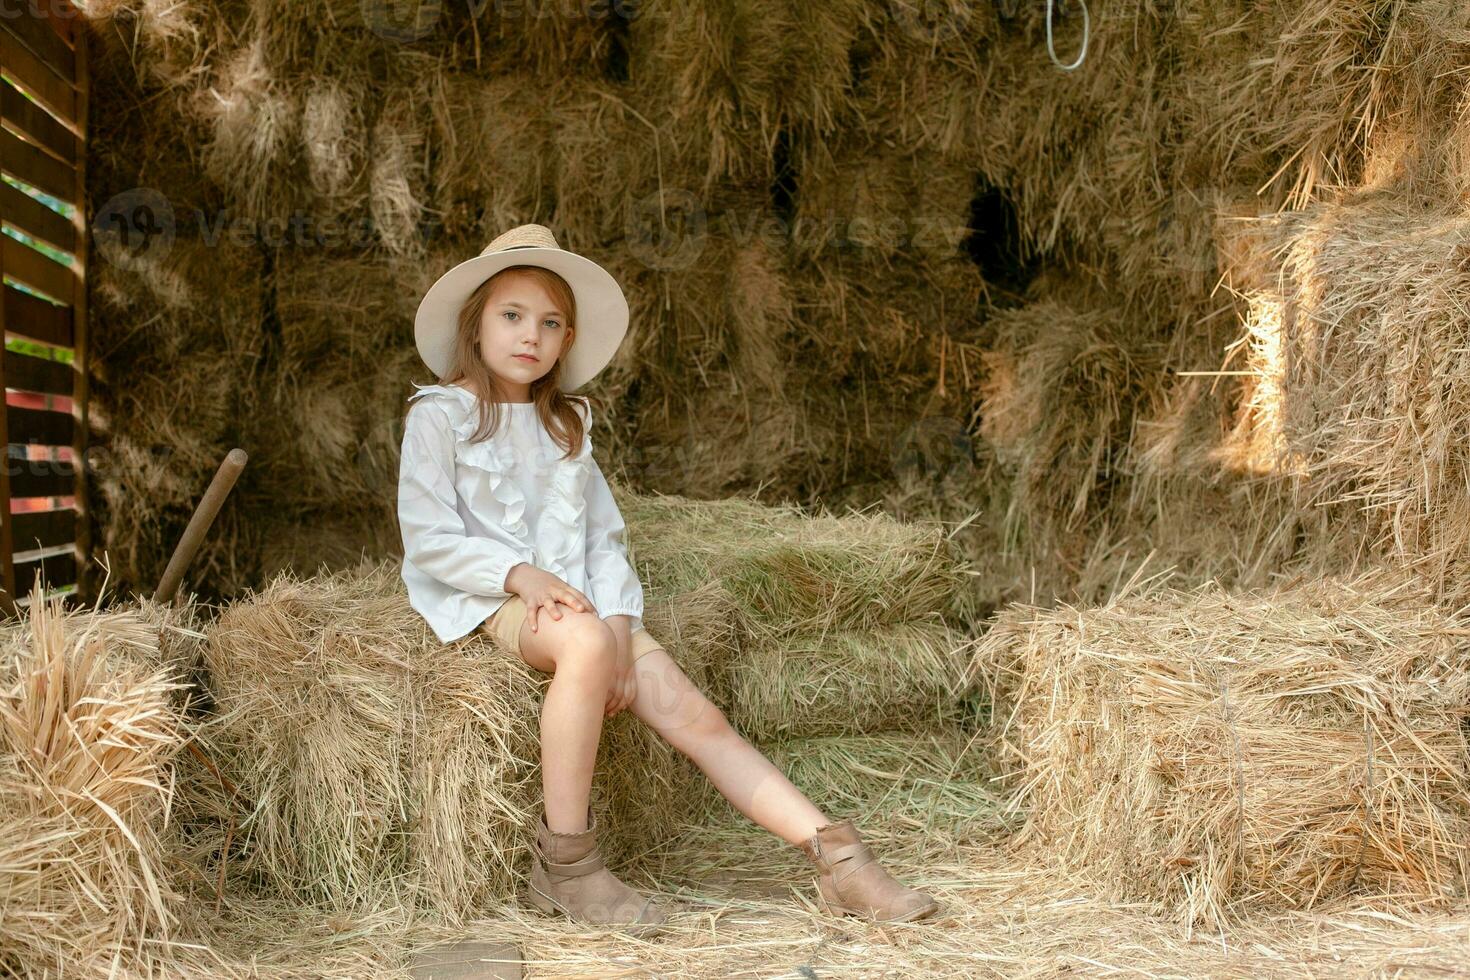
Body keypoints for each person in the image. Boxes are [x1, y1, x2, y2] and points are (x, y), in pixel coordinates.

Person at [397, 223, 939, 935]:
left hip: (582, 607)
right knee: (585, 644)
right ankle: (566, 866)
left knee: (694, 716)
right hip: (489, 595)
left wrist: (621, 628)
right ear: (475, 325)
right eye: (512, 315)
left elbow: (602, 539)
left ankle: (837, 857)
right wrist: (520, 576)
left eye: (551, 322)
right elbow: (429, 538)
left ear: (566, 340)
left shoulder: (567, 424)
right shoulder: (440, 418)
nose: (531, 335)